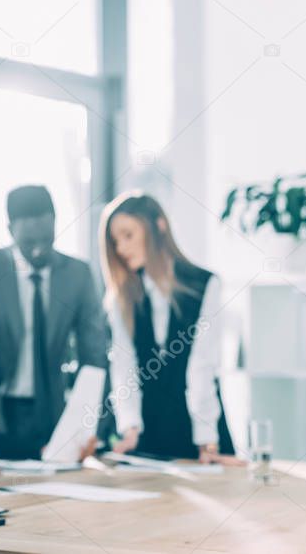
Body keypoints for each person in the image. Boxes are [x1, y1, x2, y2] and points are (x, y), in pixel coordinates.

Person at [0, 185, 108, 459]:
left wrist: (89, 425)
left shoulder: (78, 274)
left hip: (55, 409)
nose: (39, 251)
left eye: (47, 239)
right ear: (10, 230)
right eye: (29, 243)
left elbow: (94, 354)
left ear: (56, 224)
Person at [99, 191, 239, 463]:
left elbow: (202, 368)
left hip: (201, 435)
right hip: (146, 438)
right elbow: (123, 367)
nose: (121, 249)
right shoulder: (123, 296)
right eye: (115, 241)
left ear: (159, 226)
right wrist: (130, 427)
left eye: (128, 235)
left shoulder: (205, 284)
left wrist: (207, 441)